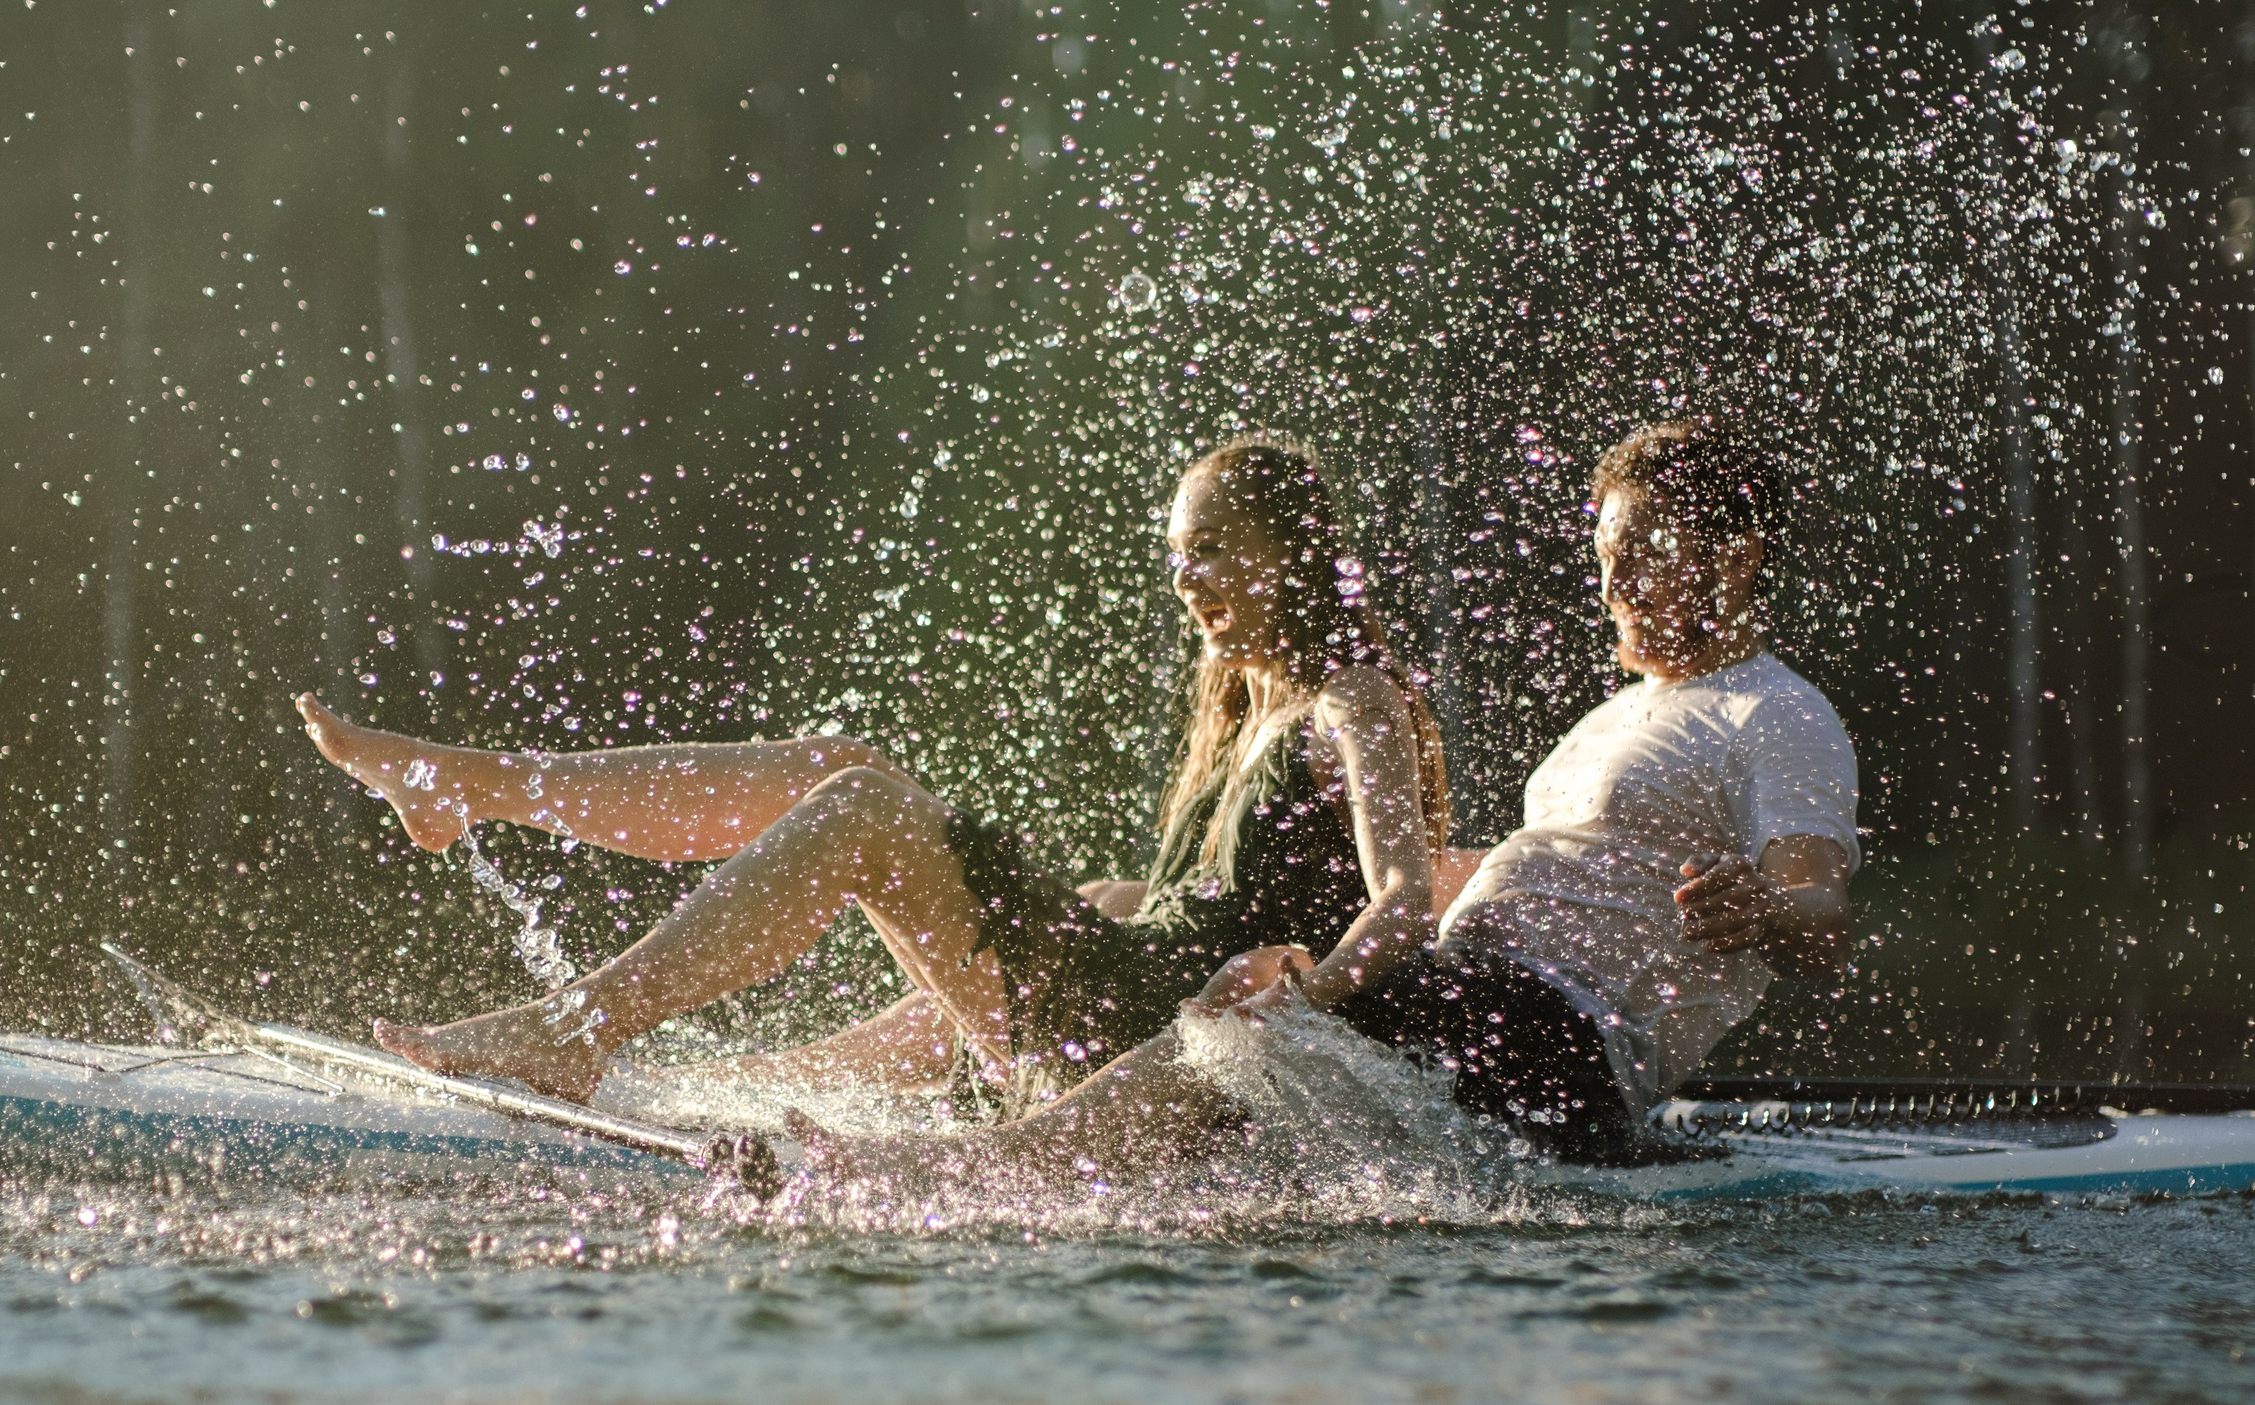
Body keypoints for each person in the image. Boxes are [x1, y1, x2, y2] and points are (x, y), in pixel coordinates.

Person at [810, 416, 1858, 1180]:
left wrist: (1764, 909)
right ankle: (963, 1150)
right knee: (1225, 994)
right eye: (1602, 559)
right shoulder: (1620, 715)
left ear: (1735, 558)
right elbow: (1555, 874)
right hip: (1474, 1000)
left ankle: (936, 1177)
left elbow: (1820, 918)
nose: (1610, 586)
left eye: (1638, 559)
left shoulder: (1778, 716)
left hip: (1555, 1044)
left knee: (1249, 1026)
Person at [294, 436, 1456, 1113]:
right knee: (849, 771)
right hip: (1121, 998)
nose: (1185, 577)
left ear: (1291, 555)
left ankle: (576, 1025)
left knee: (863, 807)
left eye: (1213, 552)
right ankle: (480, 787)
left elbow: (1404, 898)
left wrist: (1296, 995)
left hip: (1151, 1036)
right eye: (1175, 554)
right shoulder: (1244, 703)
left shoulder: (1350, 696)